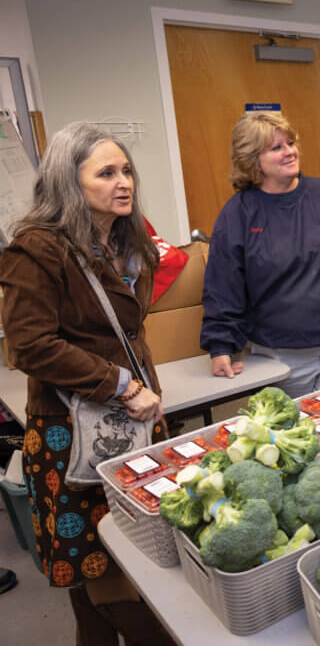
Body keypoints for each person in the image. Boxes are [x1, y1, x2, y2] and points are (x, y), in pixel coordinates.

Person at [0, 123, 174, 643]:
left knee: (97, 585)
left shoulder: (125, 238)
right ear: (69, 184)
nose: (124, 182)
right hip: (72, 435)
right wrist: (122, 385)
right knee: (112, 574)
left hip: (131, 420)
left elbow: (124, 329)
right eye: (106, 173)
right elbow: (29, 346)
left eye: (126, 171)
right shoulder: (36, 250)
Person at [201, 111, 320, 398]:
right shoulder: (239, 213)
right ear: (252, 160)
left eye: (290, 143)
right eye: (276, 148)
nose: (289, 152)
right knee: (294, 436)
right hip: (281, 358)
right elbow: (223, 287)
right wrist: (221, 345)